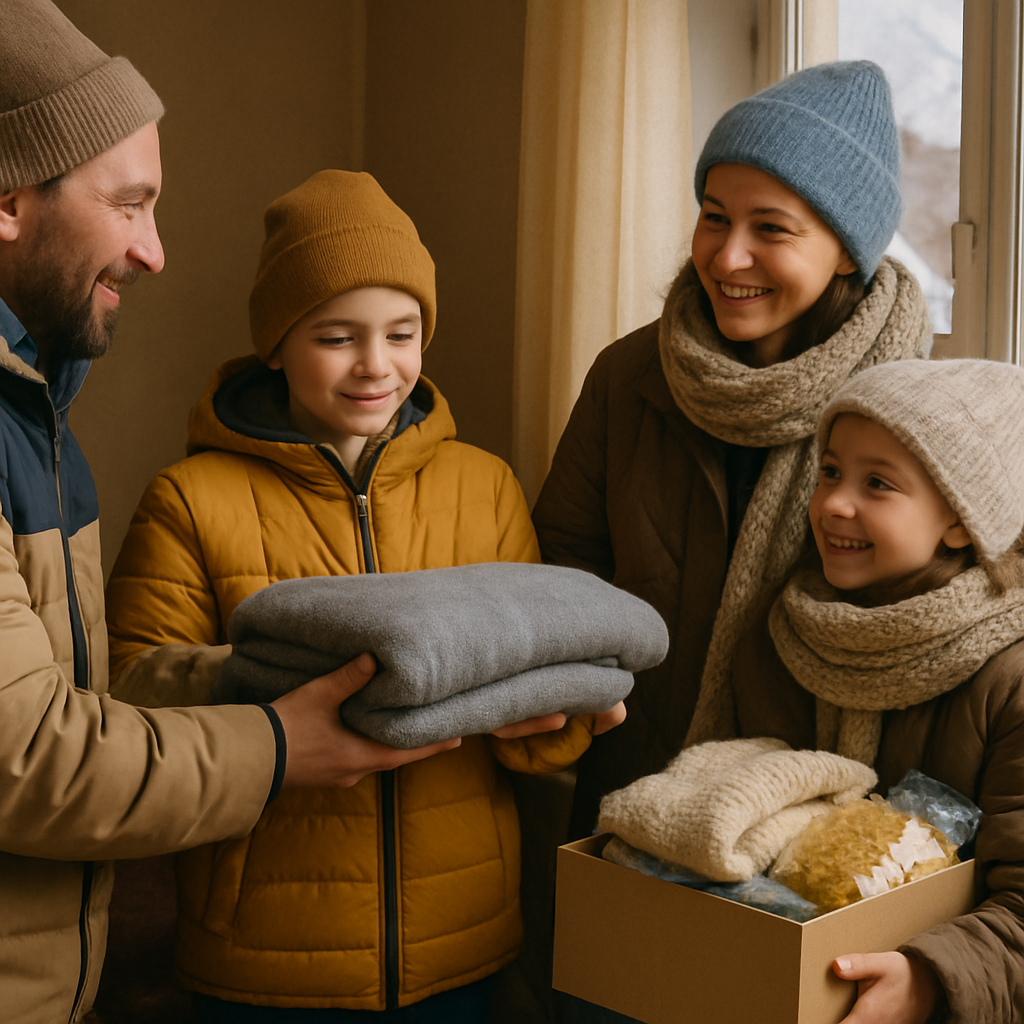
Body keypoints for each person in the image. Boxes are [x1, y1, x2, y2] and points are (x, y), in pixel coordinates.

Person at [0, 6, 461, 1023]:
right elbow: (28, 760)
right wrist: (284, 743)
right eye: (129, 205)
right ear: (8, 199)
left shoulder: (35, 411)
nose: (154, 252)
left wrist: (302, 669)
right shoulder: (164, 486)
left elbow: (85, 702)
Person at [103, 168, 624, 1022]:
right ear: (276, 343)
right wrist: (276, 681)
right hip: (262, 958)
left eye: (403, 332)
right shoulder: (191, 498)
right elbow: (129, 694)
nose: (376, 366)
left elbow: (532, 684)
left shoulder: (485, 487)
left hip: (462, 942)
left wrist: (553, 722)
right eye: (337, 337)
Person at [532, 60, 933, 844]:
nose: (727, 256)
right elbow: (563, 560)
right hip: (632, 789)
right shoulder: (630, 374)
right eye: (714, 216)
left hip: (817, 817)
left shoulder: (908, 405)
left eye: (771, 228)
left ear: (847, 251)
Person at [763, 358, 1024, 1024]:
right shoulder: (782, 632)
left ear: (962, 522)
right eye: (829, 471)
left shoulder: (1010, 681)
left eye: (878, 483)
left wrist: (930, 977)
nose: (833, 504)